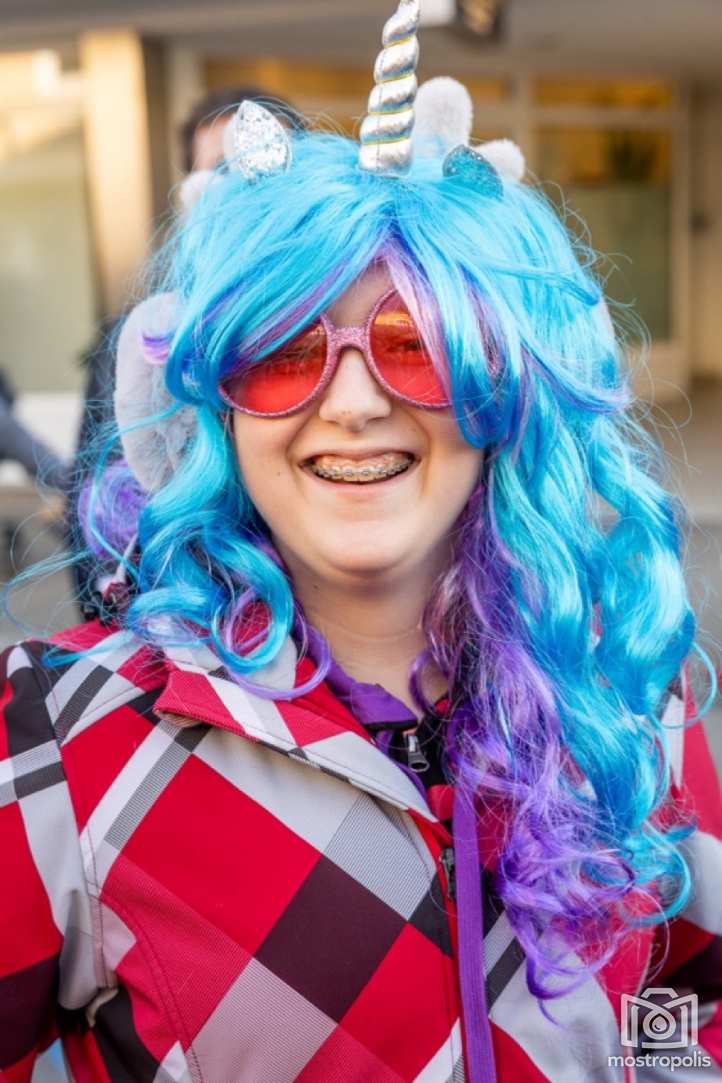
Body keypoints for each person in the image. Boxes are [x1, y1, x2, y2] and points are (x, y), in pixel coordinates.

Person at [1, 3, 721, 1080]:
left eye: (413, 343)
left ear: (501, 391)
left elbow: (690, 1013)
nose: (350, 405)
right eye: (286, 352)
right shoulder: (65, 739)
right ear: (213, 408)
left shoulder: (623, 692)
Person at [66, 85, 304, 616]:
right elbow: (92, 516)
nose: (246, 184)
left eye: (264, 157)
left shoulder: (347, 312)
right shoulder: (144, 341)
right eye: (222, 170)